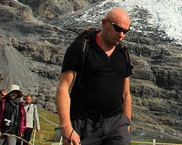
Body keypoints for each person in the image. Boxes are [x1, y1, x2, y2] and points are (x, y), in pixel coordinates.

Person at [56, 8, 133, 145]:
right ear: (104, 23)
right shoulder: (81, 47)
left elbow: (126, 93)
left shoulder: (123, 54)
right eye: (118, 29)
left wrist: (126, 124)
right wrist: (67, 127)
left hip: (116, 123)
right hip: (84, 123)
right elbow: (64, 88)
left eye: (125, 32)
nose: (121, 35)